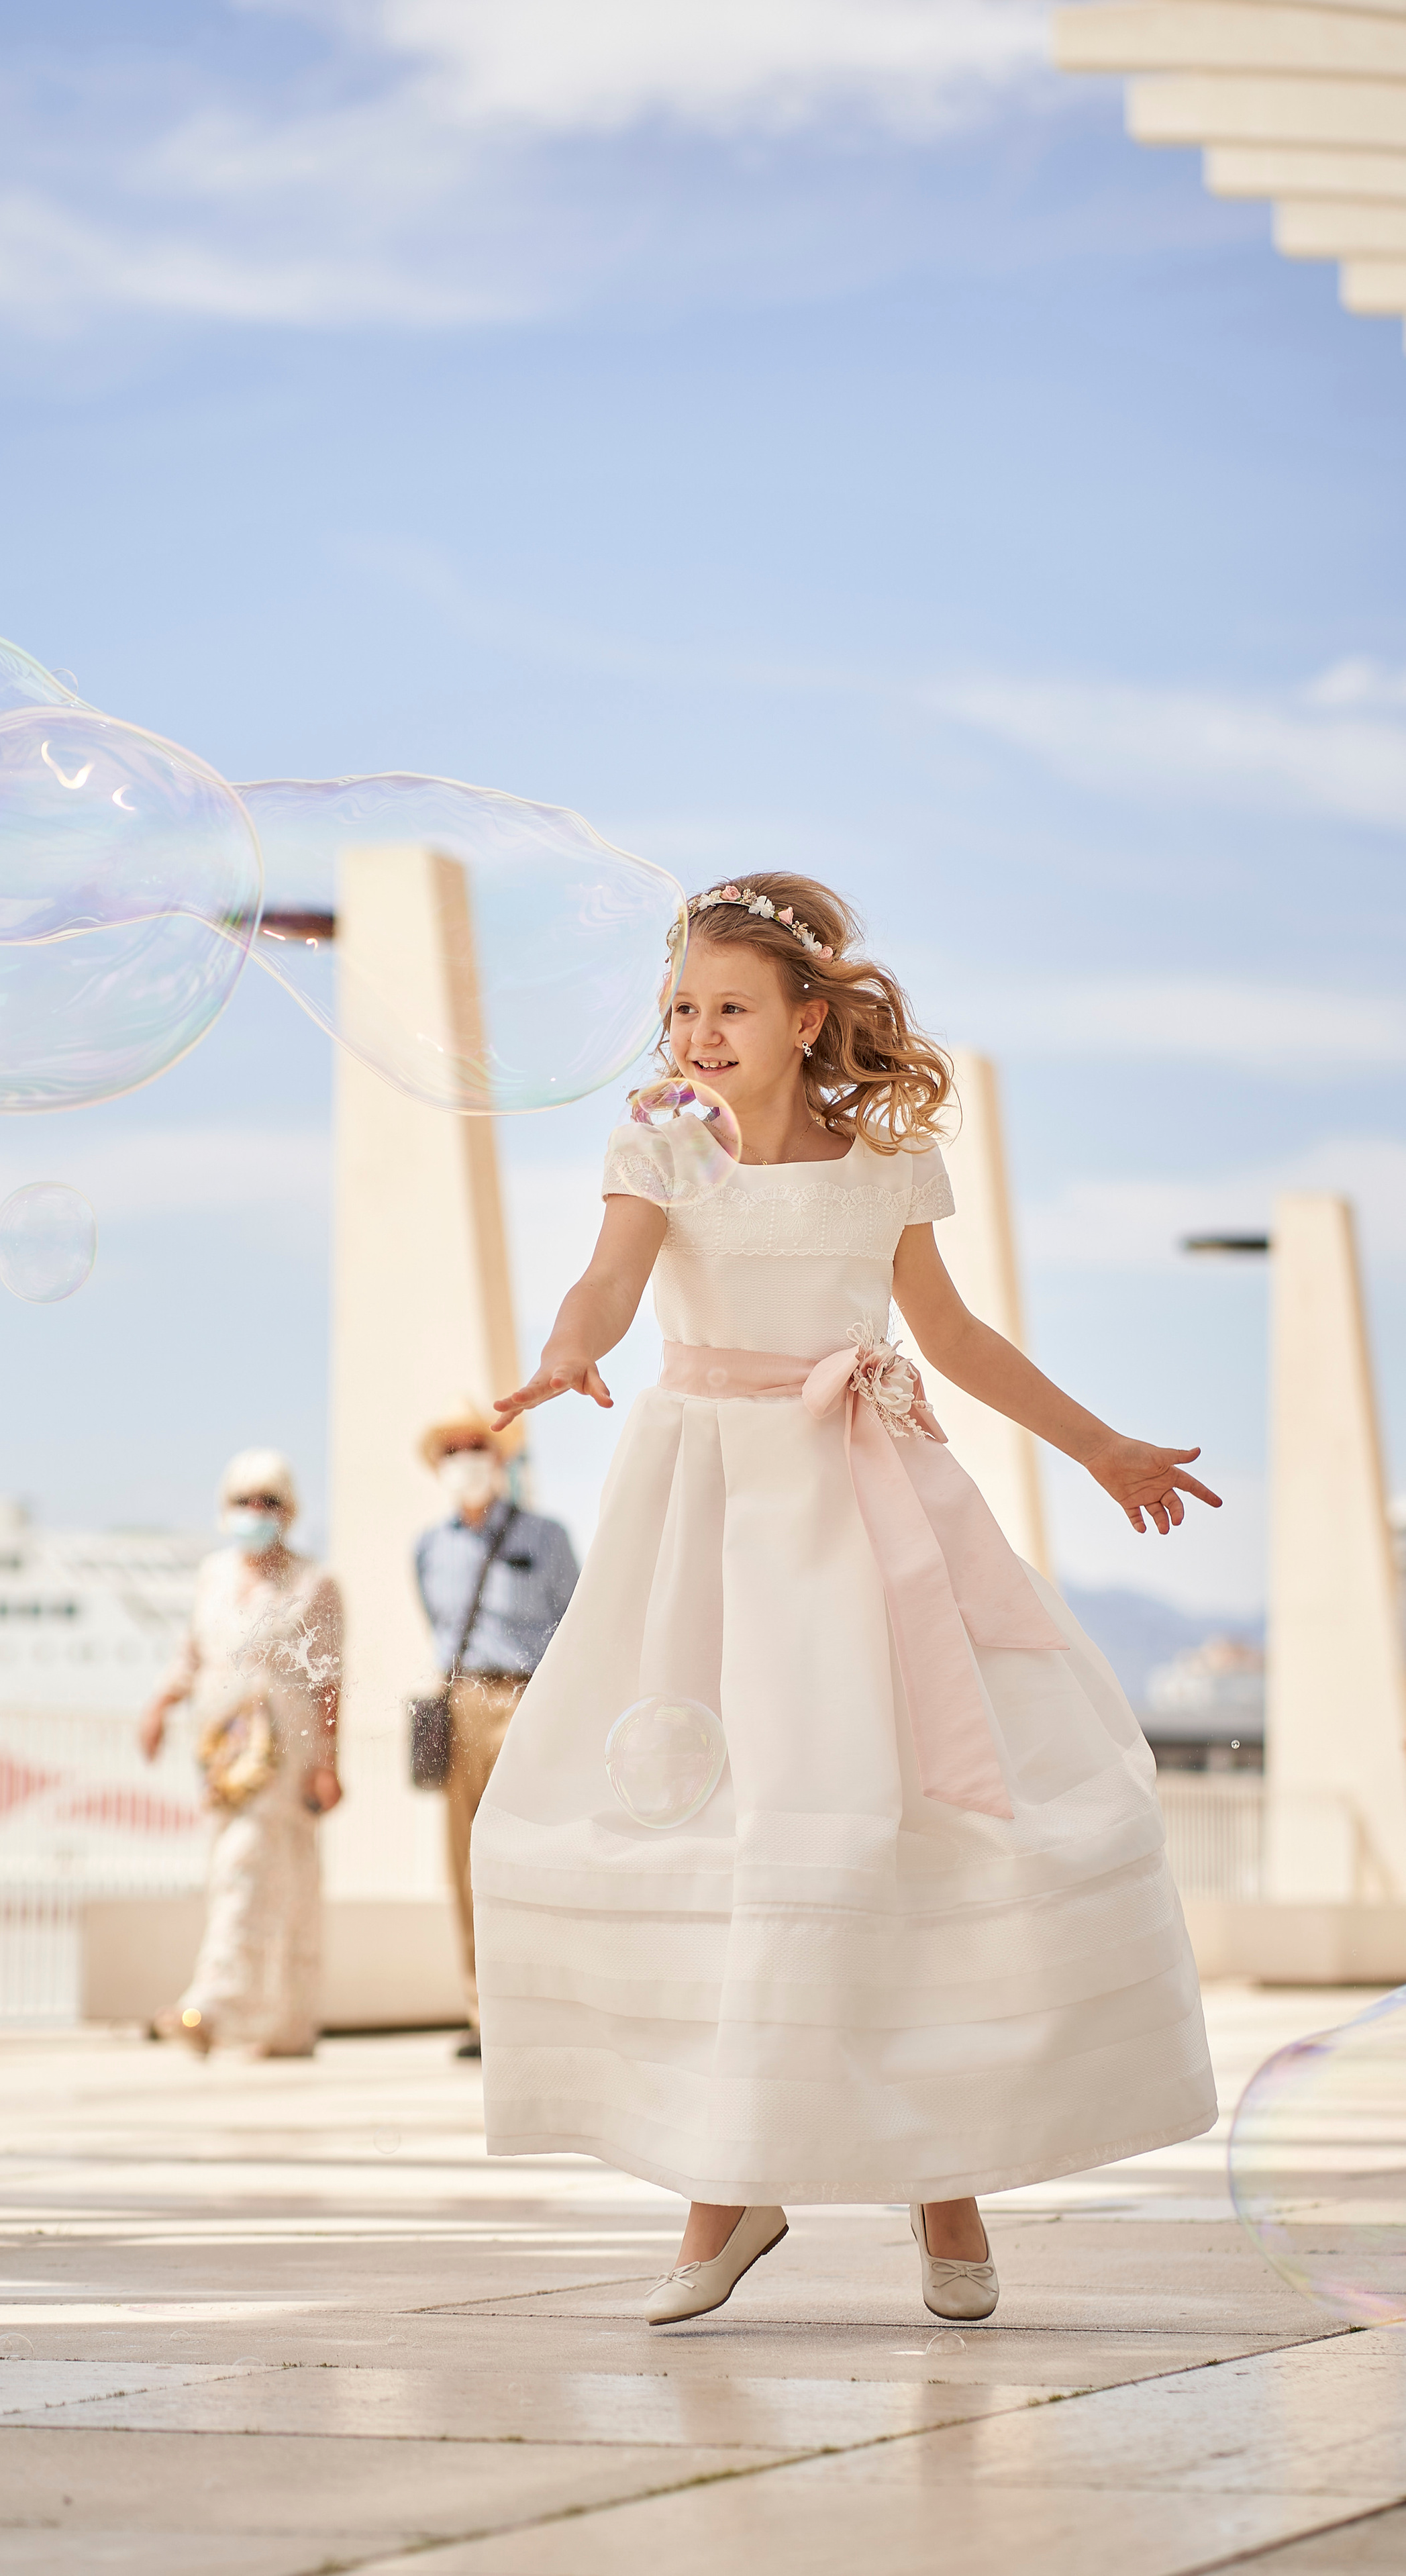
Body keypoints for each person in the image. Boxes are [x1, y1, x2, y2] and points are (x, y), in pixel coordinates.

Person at [474, 874, 1221, 2328]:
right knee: (733, 1822)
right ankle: (730, 2178)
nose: (696, 1031)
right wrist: (566, 1348)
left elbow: (949, 1336)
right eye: (679, 1006)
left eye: (729, 1005)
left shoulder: (885, 1164)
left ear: (807, 1015)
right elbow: (605, 1281)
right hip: (710, 1522)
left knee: (916, 1822)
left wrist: (1099, 1444)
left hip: (870, 1510)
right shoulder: (655, 1149)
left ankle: (945, 2177)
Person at [140, 1448, 341, 2059]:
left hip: (289, 1753)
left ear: (290, 1511)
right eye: (245, 1500)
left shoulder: (316, 1584)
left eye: (270, 1501)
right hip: (224, 1757)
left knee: (246, 1868)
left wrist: (329, 1762)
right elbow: (192, 1654)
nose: (257, 1511)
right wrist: (159, 1705)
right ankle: (288, 2022)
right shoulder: (213, 1577)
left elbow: (330, 1680)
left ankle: (212, 2007)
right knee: (282, 1877)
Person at [415, 1401, 579, 2059]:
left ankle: (545, 2003)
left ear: (501, 1458)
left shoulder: (546, 1537)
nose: (465, 1461)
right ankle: (484, 2013)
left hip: (527, 1699)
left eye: (476, 1446)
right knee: (465, 1862)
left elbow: (575, 1619)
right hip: (459, 1703)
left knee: (532, 1855)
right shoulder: (428, 1546)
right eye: (451, 1450)